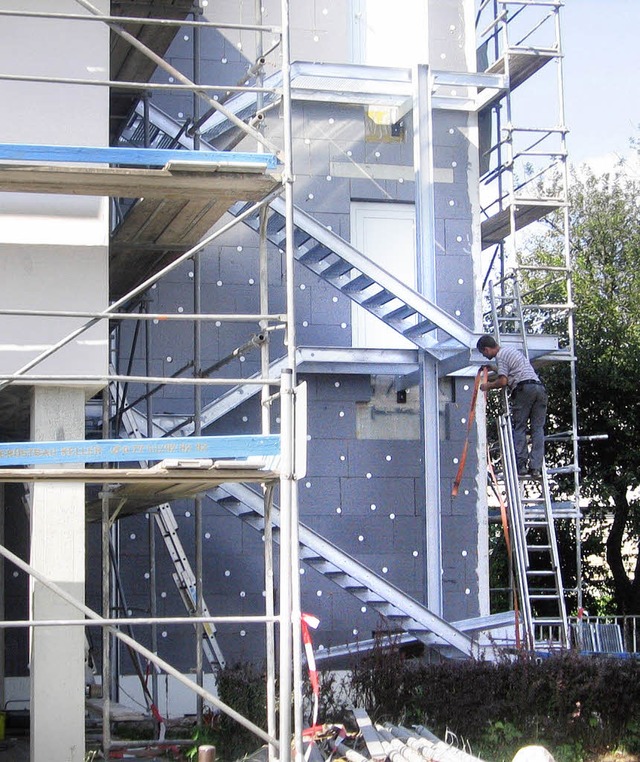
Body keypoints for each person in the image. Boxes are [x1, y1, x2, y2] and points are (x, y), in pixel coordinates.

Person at [476, 334, 548, 478]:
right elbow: (512, 372)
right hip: (539, 389)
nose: (485, 356)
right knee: (537, 429)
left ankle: (521, 465)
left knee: (520, 427)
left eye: (484, 353)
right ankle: (535, 468)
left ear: (487, 349)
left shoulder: (501, 356)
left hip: (524, 390)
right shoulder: (511, 351)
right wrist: (494, 368)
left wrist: (487, 386)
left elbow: (503, 381)